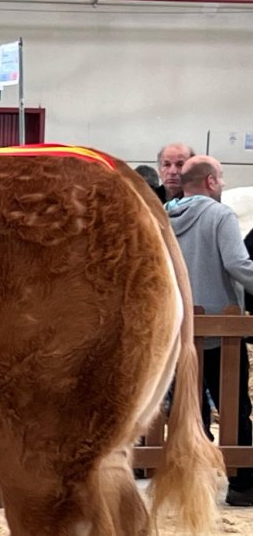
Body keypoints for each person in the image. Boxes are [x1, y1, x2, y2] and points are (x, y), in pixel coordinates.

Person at [166, 155, 253, 506]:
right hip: (221, 330)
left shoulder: (162, 215)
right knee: (233, 407)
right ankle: (243, 485)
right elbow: (236, 263)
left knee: (186, 408)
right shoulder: (220, 215)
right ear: (211, 182)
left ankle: (191, 483)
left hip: (175, 329)